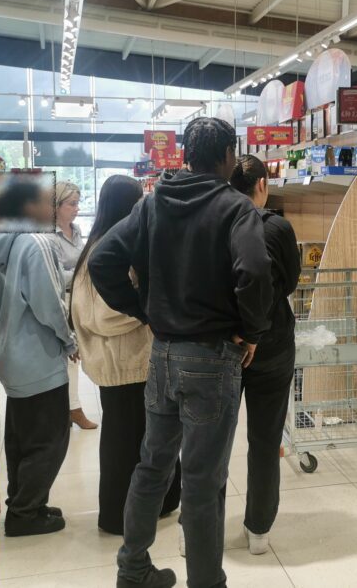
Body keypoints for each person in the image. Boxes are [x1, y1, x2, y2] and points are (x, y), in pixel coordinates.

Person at [88, 117, 272, 588]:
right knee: (203, 482)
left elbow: (103, 260)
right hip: (212, 358)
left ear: (186, 153)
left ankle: (132, 569)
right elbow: (253, 270)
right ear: (229, 156)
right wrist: (251, 330)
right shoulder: (236, 208)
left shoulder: (153, 205)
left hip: (163, 355)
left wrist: (144, 310)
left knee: (152, 465)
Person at [70, 175, 181, 535]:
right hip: (125, 365)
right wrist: (149, 311)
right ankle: (118, 516)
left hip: (127, 363)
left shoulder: (104, 244)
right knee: (125, 442)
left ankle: (158, 503)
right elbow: (102, 314)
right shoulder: (107, 250)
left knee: (146, 438)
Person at [0, 177, 77, 537]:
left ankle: (24, 501)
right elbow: (48, 302)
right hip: (37, 357)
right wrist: (69, 340)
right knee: (50, 438)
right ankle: (25, 512)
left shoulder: (9, 243)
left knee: (21, 437)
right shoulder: (35, 244)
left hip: (12, 352)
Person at [227, 155, 300, 555]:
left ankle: (196, 528)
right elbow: (288, 281)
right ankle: (259, 530)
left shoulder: (217, 225)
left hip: (222, 346)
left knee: (211, 443)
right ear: (261, 185)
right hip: (271, 343)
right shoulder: (276, 228)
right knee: (265, 439)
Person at [48, 180, 98, 430]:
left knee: (73, 355)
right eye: (72, 204)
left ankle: (67, 408)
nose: (77, 209)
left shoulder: (76, 230)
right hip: (61, 301)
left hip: (77, 299)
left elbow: (79, 263)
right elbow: (55, 274)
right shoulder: (49, 236)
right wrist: (82, 273)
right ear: (57, 206)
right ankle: (72, 408)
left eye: (78, 203)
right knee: (69, 354)